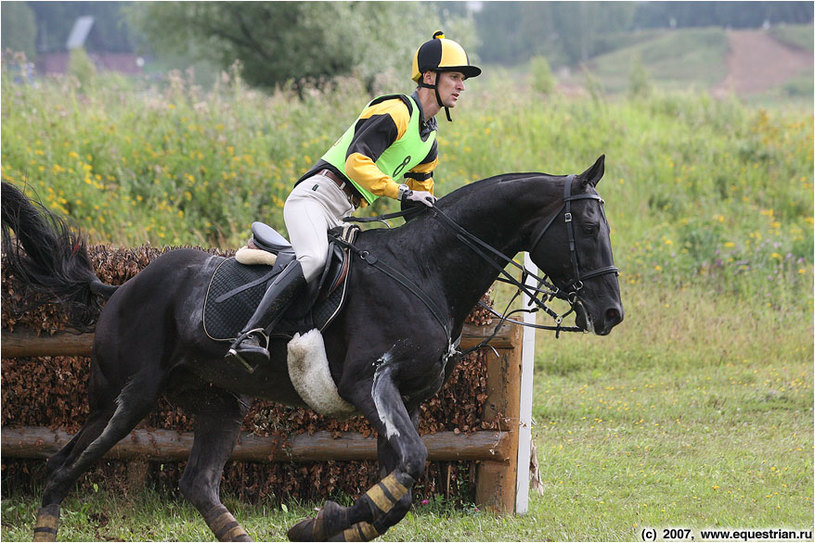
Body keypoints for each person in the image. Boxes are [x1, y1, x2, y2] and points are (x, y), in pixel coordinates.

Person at [226, 31, 481, 368]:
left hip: (342, 212)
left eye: (462, 79)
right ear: (430, 77)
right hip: (315, 198)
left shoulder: (429, 138)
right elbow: (356, 163)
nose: (461, 86)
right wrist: (400, 190)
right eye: (455, 77)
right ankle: (251, 334)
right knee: (314, 260)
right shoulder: (396, 110)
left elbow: (417, 205)